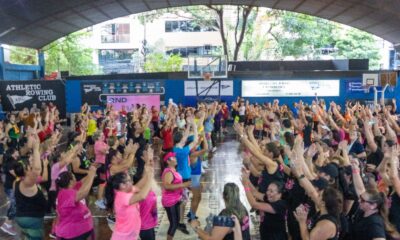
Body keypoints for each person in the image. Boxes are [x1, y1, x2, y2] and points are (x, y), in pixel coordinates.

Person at [105, 150, 154, 240]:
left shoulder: (127, 189)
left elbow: (140, 185)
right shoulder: (122, 197)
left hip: (131, 234)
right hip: (123, 237)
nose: (131, 182)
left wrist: (148, 168)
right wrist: (150, 177)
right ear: (122, 185)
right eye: (128, 180)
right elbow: (142, 196)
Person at [14, 134, 47, 240]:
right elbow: (37, 169)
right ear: (27, 169)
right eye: (29, 164)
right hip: (31, 218)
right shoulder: (27, 183)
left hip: (23, 218)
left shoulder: (17, 181)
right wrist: (35, 148)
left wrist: (34, 148)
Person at [54, 164, 98, 240]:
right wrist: (91, 174)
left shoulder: (71, 188)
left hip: (79, 231)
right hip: (72, 234)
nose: (76, 178)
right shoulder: (65, 194)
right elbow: (84, 193)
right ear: (71, 181)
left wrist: (92, 171)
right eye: (74, 176)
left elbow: (83, 181)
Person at [242, 173, 288, 240]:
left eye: (271, 191)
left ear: (279, 194)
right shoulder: (270, 198)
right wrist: (247, 180)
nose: (268, 193)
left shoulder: (280, 205)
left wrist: (245, 186)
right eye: (268, 190)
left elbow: (254, 204)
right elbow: (255, 192)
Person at [162, 152, 192, 240]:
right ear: (168, 161)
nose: (175, 159)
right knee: (173, 224)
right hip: (170, 201)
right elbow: (167, 186)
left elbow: (176, 183)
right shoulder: (168, 172)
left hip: (175, 199)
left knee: (176, 221)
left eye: (175, 157)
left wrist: (186, 186)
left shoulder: (174, 170)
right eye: (173, 158)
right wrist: (183, 185)